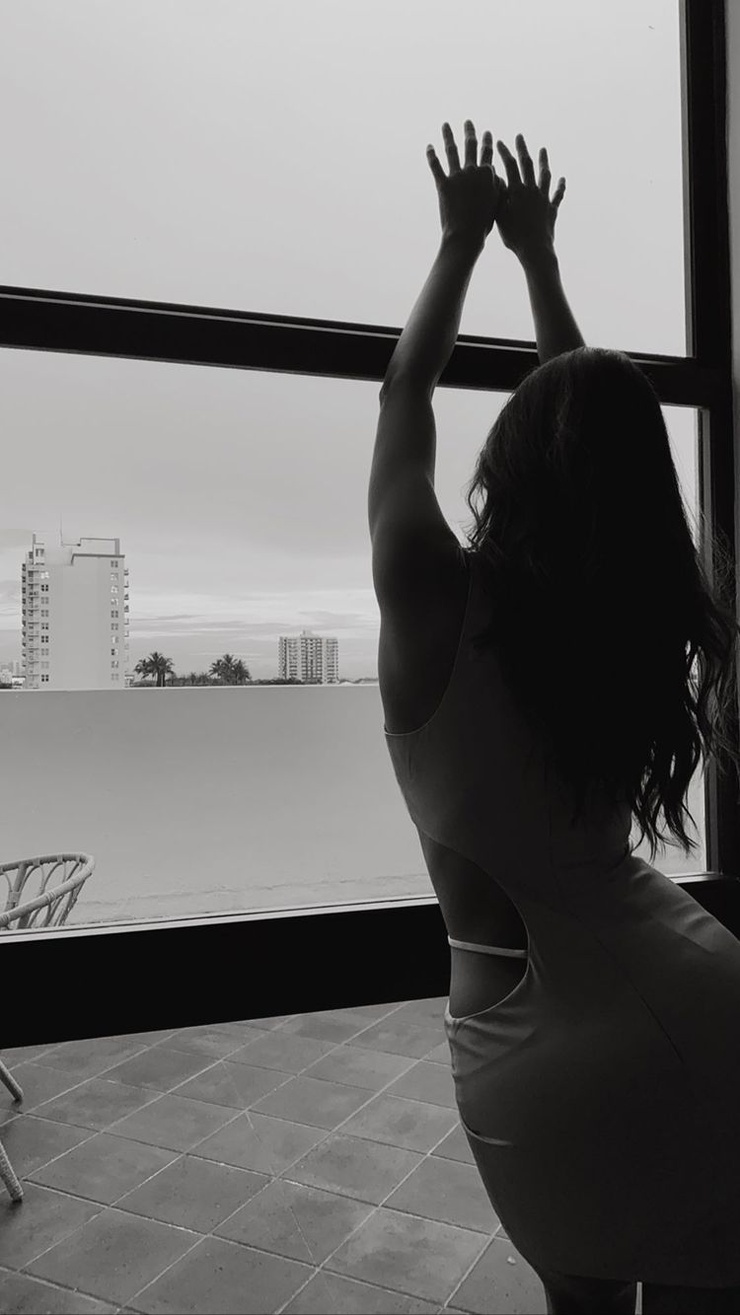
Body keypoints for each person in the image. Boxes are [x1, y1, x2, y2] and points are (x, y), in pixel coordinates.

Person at [381, 130, 740, 1315]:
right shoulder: (620, 625)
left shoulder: (431, 596)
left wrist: (457, 245)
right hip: (703, 988)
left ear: (509, 460)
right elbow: (602, 460)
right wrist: (538, 263)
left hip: (537, 1050)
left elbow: (403, 396)